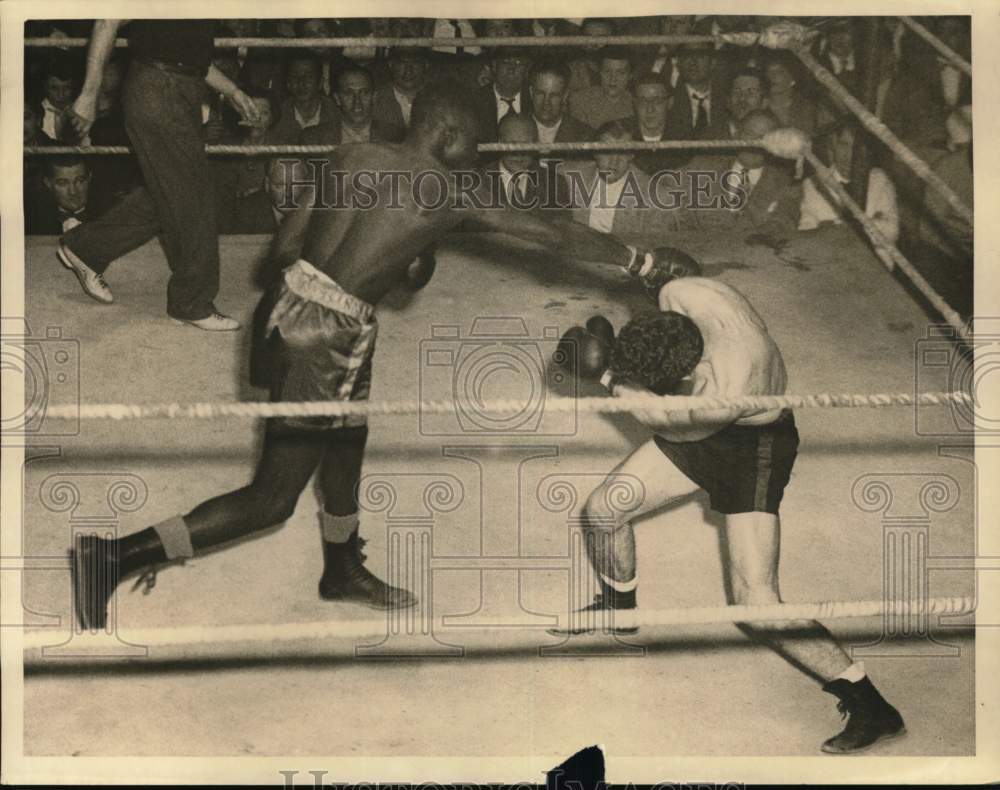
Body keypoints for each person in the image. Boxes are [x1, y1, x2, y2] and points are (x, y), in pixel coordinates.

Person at [72, 83, 687, 632]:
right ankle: (114, 558)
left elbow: (282, 250)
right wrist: (641, 261)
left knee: (346, 443)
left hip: (288, 309)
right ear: (445, 133)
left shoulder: (348, 157)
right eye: (471, 143)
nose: (475, 156)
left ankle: (341, 567)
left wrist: (372, 262)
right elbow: (552, 233)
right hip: (326, 333)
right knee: (271, 498)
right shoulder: (443, 187)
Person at [549, 278, 906, 755]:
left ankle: (871, 706)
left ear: (683, 378)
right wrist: (644, 264)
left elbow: (671, 422)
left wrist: (609, 377)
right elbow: (672, 270)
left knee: (756, 602)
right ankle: (620, 609)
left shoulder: (730, 384)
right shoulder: (689, 296)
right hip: (698, 424)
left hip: (753, 450)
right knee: (603, 510)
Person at [59, 19, 260, 326]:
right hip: (159, 89)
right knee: (193, 192)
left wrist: (232, 90)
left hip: (179, 88)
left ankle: (86, 247)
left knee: (171, 189)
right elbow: (108, 18)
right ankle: (191, 303)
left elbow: (187, 55)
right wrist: (89, 93)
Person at [799, 123, 899, 244]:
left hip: (872, 260)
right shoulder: (813, 183)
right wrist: (871, 222)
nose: (849, 155)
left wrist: (834, 226)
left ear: (865, 151)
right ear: (833, 146)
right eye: (843, 145)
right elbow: (806, 232)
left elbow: (892, 232)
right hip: (830, 259)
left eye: (855, 148)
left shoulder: (880, 181)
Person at [568, 47, 635, 129]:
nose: (613, 79)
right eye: (607, 71)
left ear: (630, 76)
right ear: (600, 72)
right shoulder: (580, 100)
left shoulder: (636, 103)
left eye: (620, 73)